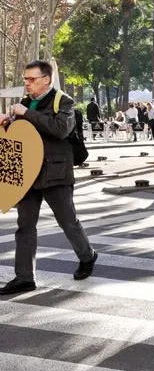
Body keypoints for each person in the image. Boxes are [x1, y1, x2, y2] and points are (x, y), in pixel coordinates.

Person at [0, 60, 97, 295]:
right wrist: (6, 123)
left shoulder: (62, 101)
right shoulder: (24, 103)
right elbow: (20, 134)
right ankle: (24, 277)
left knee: (67, 221)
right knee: (25, 226)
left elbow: (60, 129)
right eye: (25, 79)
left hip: (56, 173)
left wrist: (27, 113)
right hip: (28, 173)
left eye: (31, 79)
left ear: (47, 79)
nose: (27, 84)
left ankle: (87, 255)